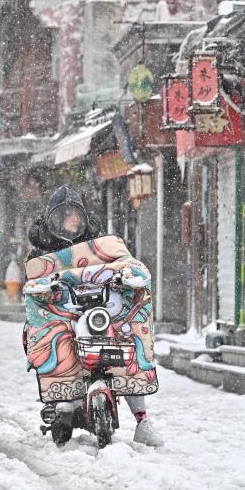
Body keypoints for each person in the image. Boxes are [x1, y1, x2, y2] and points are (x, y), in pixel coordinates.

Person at [26, 185, 164, 447]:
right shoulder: (41, 250)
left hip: (100, 311)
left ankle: (143, 419)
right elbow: (33, 279)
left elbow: (121, 261)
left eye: (77, 214)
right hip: (64, 313)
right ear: (55, 217)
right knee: (57, 345)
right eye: (66, 214)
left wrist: (125, 276)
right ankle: (61, 402)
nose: (74, 220)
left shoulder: (98, 244)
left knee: (128, 343)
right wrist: (43, 287)